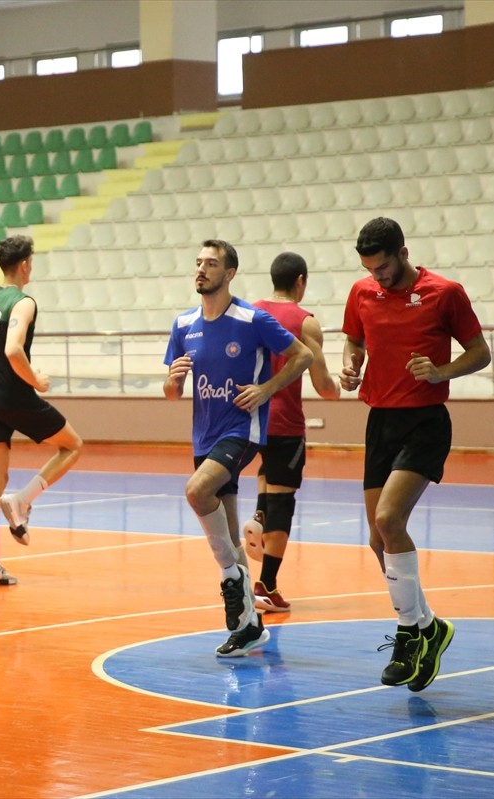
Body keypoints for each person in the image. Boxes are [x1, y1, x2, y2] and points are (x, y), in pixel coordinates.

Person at [341, 217, 490, 691]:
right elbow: (354, 338)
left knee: (389, 520)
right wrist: (352, 364)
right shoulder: (361, 292)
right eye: (370, 269)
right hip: (379, 422)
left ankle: (409, 634)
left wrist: (441, 369)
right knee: (377, 540)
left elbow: (480, 353)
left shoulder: (445, 292)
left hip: (425, 421)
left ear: (403, 252)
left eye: (383, 267)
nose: (378, 277)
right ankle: (430, 628)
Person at [163, 240, 312, 657]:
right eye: (197, 263)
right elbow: (172, 393)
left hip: (242, 431)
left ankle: (230, 582)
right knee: (228, 535)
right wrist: (174, 380)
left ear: (229, 273)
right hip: (204, 435)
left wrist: (267, 389)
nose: (201, 269)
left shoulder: (251, 319)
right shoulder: (183, 324)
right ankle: (250, 626)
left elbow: (301, 355)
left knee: (196, 491)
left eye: (211, 263)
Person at [0, 235, 83, 587]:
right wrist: (35, 379)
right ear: (25, 264)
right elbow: (13, 350)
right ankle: (23, 501)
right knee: (72, 445)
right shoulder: (23, 302)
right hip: (14, 395)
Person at [240, 252, 341, 613]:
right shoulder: (305, 322)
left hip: (250, 416)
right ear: (301, 281)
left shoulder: (249, 313)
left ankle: (258, 516)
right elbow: (322, 381)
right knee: (284, 498)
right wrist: (339, 389)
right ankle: (267, 585)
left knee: (267, 478)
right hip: (285, 418)